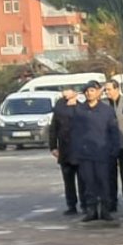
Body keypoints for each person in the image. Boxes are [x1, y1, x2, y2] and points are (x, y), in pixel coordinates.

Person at [70, 81, 121, 222]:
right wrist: (75, 152)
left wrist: (114, 149)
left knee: (104, 183)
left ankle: (105, 210)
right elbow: (75, 133)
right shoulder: (79, 111)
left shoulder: (107, 110)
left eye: (92, 90)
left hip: (102, 153)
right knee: (89, 184)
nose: (89, 93)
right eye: (87, 91)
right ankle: (91, 211)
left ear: (99, 92)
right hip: (85, 154)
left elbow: (114, 131)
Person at [49, 87, 85, 216]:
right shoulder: (59, 110)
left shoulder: (82, 108)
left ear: (75, 94)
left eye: (67, 95)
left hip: (80, 151)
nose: (65, 98)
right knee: (68, 181)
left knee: (83, 180)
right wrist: (53, 146)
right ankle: (71, 205)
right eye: (64, 96)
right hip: (65, 150)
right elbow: (53, 129)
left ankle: (85, 204)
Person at [103, 81, 123, 213]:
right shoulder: (103, 104)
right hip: (108, 146)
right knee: (110, 175)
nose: (107, 92)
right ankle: (112, 201)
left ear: (117, 89)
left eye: (109, 89)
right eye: (106, 90)